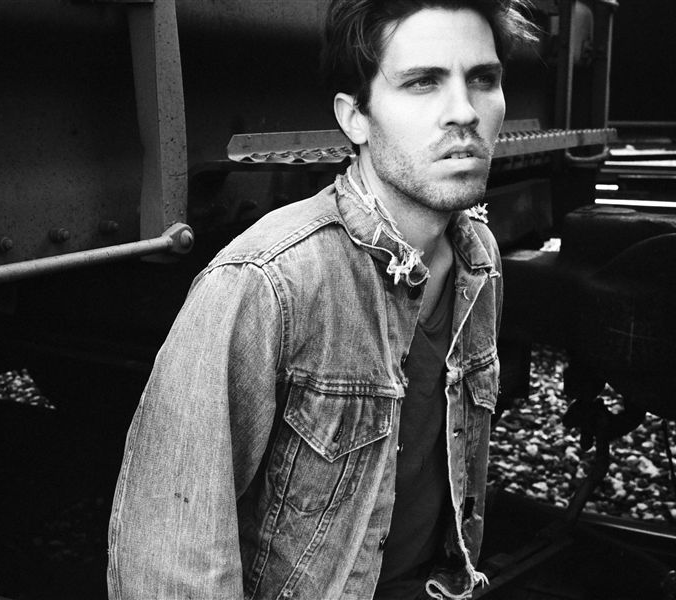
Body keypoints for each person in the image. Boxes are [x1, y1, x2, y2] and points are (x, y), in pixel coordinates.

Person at [108, 1, 537, 598]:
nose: (464, 111)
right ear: (354, 116)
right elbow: (170, 561)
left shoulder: (478, 258)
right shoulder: (267, 282)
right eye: (422, 82)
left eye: (483, 79)